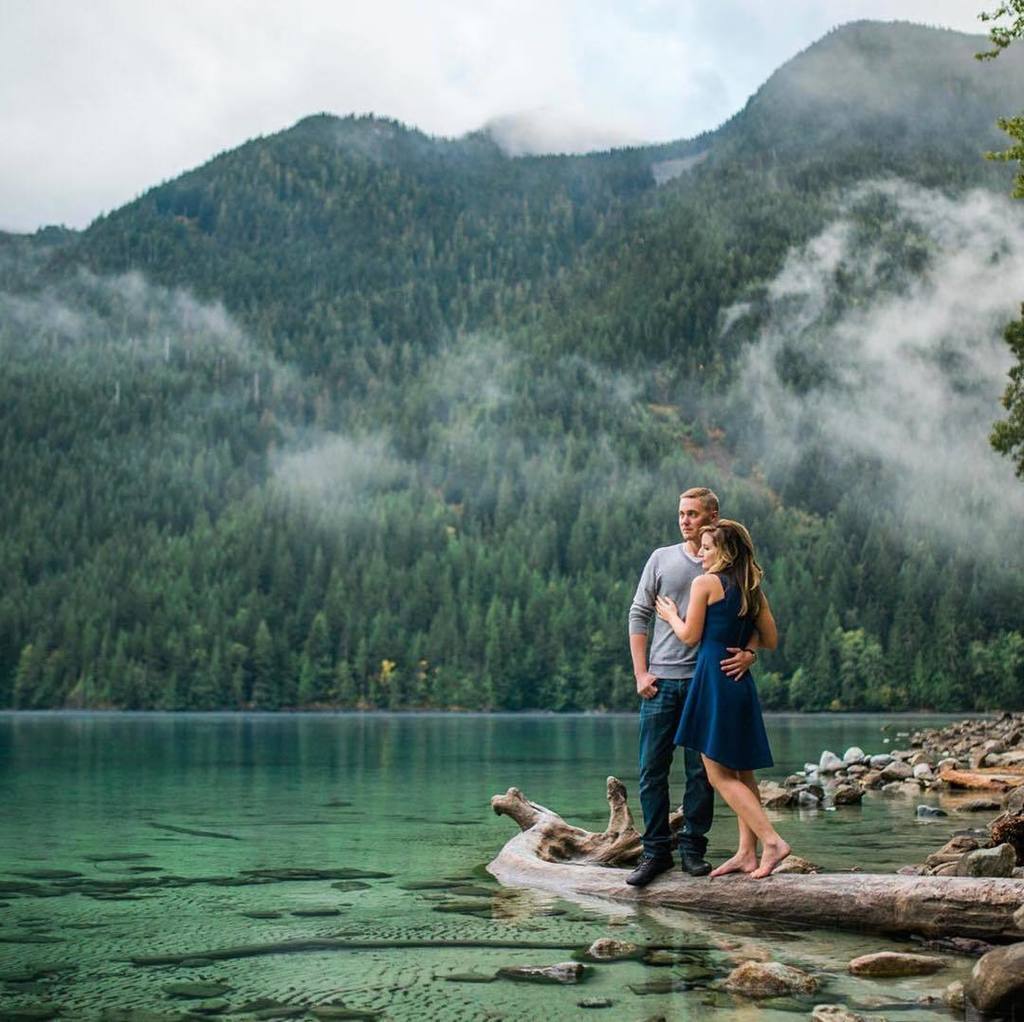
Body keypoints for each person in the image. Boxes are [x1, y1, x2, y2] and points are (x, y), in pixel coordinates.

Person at [626, 488, 761, 887]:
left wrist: (750, 653)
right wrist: (640, 673)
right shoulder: (661, 559)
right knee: (652, 769)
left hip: (706, 682)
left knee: (701, 773)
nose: (684, 520)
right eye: (681, 513)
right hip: (661, 681)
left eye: (692, 514)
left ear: (712, 516)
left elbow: (753, 614)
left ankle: (692, 850)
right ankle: (654, 852)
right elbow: (639, 613)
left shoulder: (728, 566)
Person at [655, 519, 789, 879]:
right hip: (740, 682)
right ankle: (746, 853)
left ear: (725, 552)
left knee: (717, 774)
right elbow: (770, 639)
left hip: (714, 680)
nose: (701, 553)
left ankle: (772, 842)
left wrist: (671, 615)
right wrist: (749, 652)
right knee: (743, 771)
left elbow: (689, 636)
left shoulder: (705, 583)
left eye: (707, 547)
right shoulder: (751, 588)